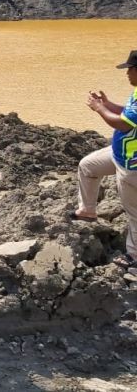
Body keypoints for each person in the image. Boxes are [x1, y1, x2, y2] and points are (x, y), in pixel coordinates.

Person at [74, 50, 137, 269]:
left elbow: (124, 124)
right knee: (88, 166)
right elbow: (127, 114)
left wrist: (99, 108)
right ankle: (87, 210)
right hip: (119, 154)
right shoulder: (136, 92)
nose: (127, 73)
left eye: (130, 69)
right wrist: (109, 105)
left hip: (132, 165)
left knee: (134, 213)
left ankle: (134, 257)